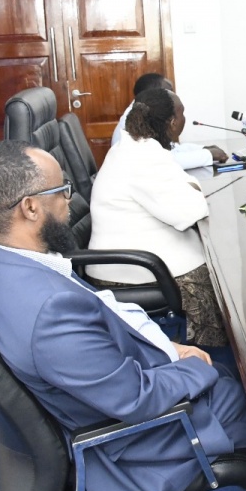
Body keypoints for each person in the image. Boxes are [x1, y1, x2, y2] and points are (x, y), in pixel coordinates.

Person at [0, 139, 246, 491]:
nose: (70, 200)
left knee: (233, 373)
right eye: (62, 190)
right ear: (30, 207)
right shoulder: (50, 311)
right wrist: (195, 367)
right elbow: (137, 400)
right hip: (138, 446)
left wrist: (168, 348)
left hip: (114, 386)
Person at [87, 88, 228, 347]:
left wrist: (190, 188)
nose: (184, 120)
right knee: (217, 275)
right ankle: (212, 351)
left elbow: (186, 187)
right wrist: (193, 189)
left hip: (131, 257)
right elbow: (192, 211)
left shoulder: (136, 147)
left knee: (216, 260)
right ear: (172, 122)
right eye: (182, 114)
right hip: (129, 270)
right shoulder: (142, 157)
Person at [112, 73, 227, 168]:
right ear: (154, 95)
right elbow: (162, 162)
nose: (173, 95)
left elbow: (171, 149)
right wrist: (207, 154)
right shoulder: (134, 121)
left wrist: (202, 149)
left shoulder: (145, 111)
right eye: (168, 92)